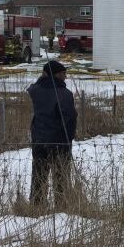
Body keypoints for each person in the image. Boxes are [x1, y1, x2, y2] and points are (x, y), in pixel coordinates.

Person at [28, 60, 77, 207]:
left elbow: (34, 86)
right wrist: (69, 138)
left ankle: (36, 205)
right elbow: (69, 119)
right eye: (62, 74)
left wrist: (44, 77)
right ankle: (61, 206)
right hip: (59, 141)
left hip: (38, 139)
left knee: (38, 175)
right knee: (60, 176)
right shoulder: (64, 94)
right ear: (54, 75)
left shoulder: (36, 90)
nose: (65, 77)